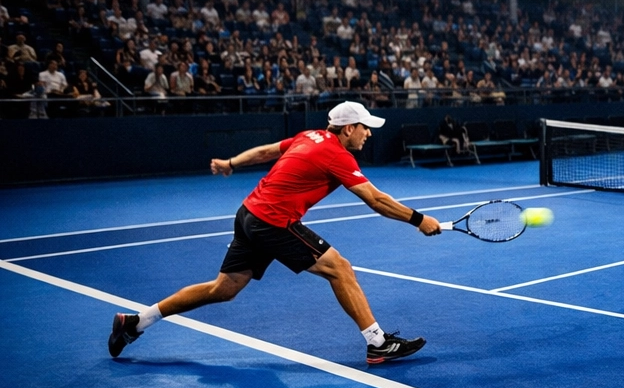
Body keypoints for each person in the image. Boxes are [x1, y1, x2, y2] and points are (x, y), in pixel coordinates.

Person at [108, 101, 439, 364]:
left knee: (222, 289)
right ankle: (378, 343)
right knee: (340, 269)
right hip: (273, 221)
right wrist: (419, 219)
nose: (369, 133)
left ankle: (137, 321)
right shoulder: (336, 154)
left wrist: (231, 163)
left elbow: (266, 151)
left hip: (249, 213)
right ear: (348, 128)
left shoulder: (309, 136)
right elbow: (376, 200)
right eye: (365, 127)